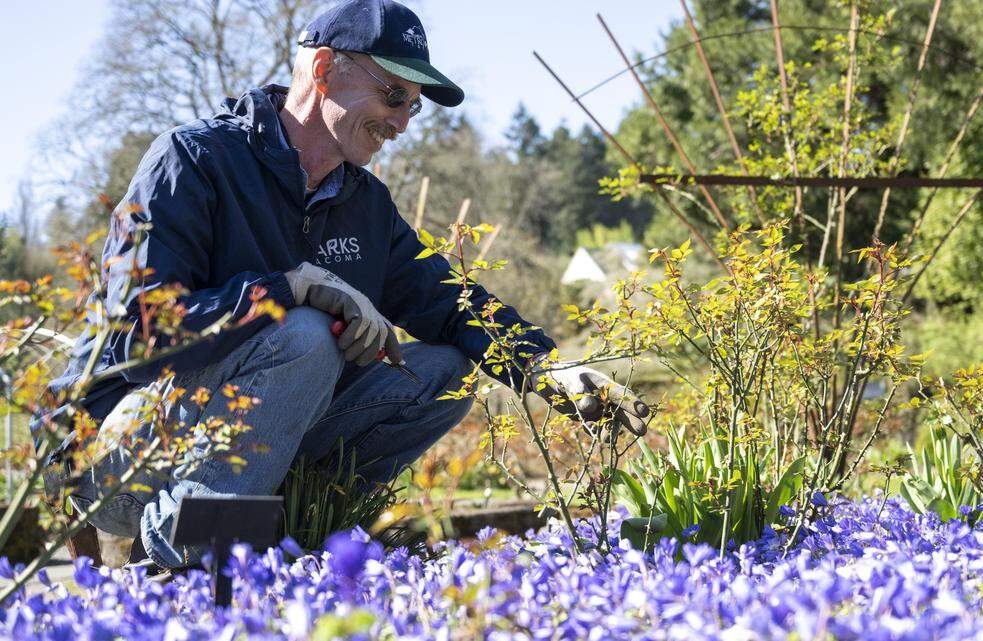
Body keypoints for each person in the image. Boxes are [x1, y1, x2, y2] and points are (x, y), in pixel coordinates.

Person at [47, 0, 649, 569]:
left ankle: (293, 536)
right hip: (113, 450)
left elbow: (450, 303)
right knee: (306, 334)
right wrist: (286, 288)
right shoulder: (192, 160)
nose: (402, 123)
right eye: (393, 95)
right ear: (324, 69)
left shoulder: (365, 205)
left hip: (240, 448)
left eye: (414, 107)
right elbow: (138, 334)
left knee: (446, 371)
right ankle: (191, 559)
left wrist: (547, 370)